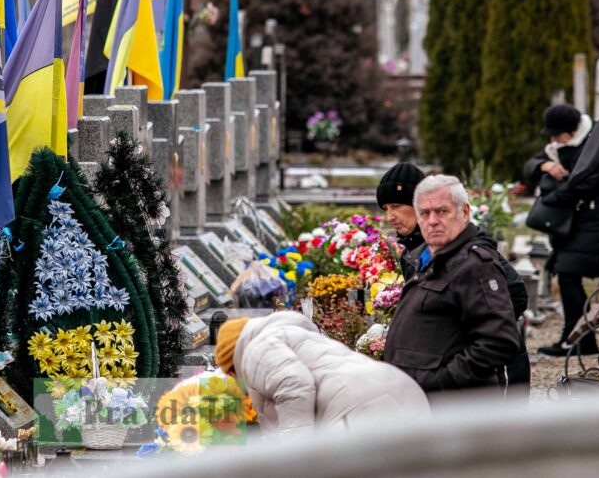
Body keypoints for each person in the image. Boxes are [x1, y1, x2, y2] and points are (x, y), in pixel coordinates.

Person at [376, 163, 531, 391]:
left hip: (462, 396)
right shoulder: (419, 253)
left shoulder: (473, 259)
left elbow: (512, 300)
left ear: (464, 212)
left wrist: (448, 367)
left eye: (397, 206)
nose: (390, 216)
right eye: (385, 208)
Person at [215, 312, 428, 432]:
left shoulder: (255, 349)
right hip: (402, 390)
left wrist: (298, 457)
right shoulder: (292, 334)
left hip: (357, 412)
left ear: (233, 361)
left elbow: (294, 386)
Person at [523, 105, 599, 357]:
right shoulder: (558, 147)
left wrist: (551, 199)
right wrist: (545, 167)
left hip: (592, 224)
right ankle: (579, 340)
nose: (553, 141)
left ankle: (576, 340)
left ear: (572, 131)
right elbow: (530, 164)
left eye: (556, 135)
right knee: (565, 276)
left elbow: (582, 183)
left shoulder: (594, 142)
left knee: (567, 275)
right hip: (573, 226)